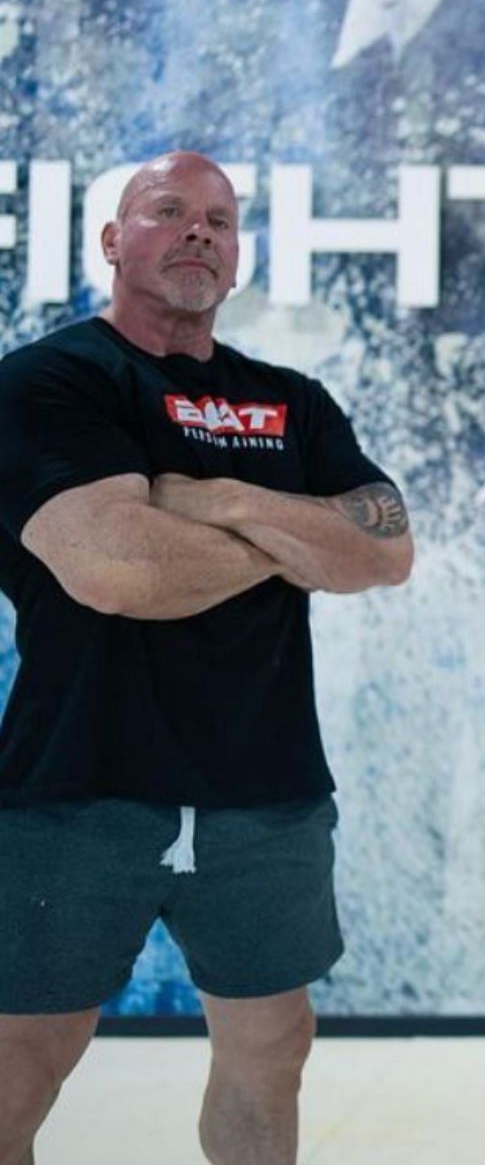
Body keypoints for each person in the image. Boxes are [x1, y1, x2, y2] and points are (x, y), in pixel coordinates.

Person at [0, 151, 412, 1165]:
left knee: (273, 1043)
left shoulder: (292, 400)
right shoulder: (48, 381)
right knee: (25, 1055)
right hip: (81, 781)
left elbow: (385, 550)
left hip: (263, 789)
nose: (199, 233)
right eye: (169, 211)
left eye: (221, 222)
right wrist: (296, 541)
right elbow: (116, 570)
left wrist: (219, 499)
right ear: (111, 241)